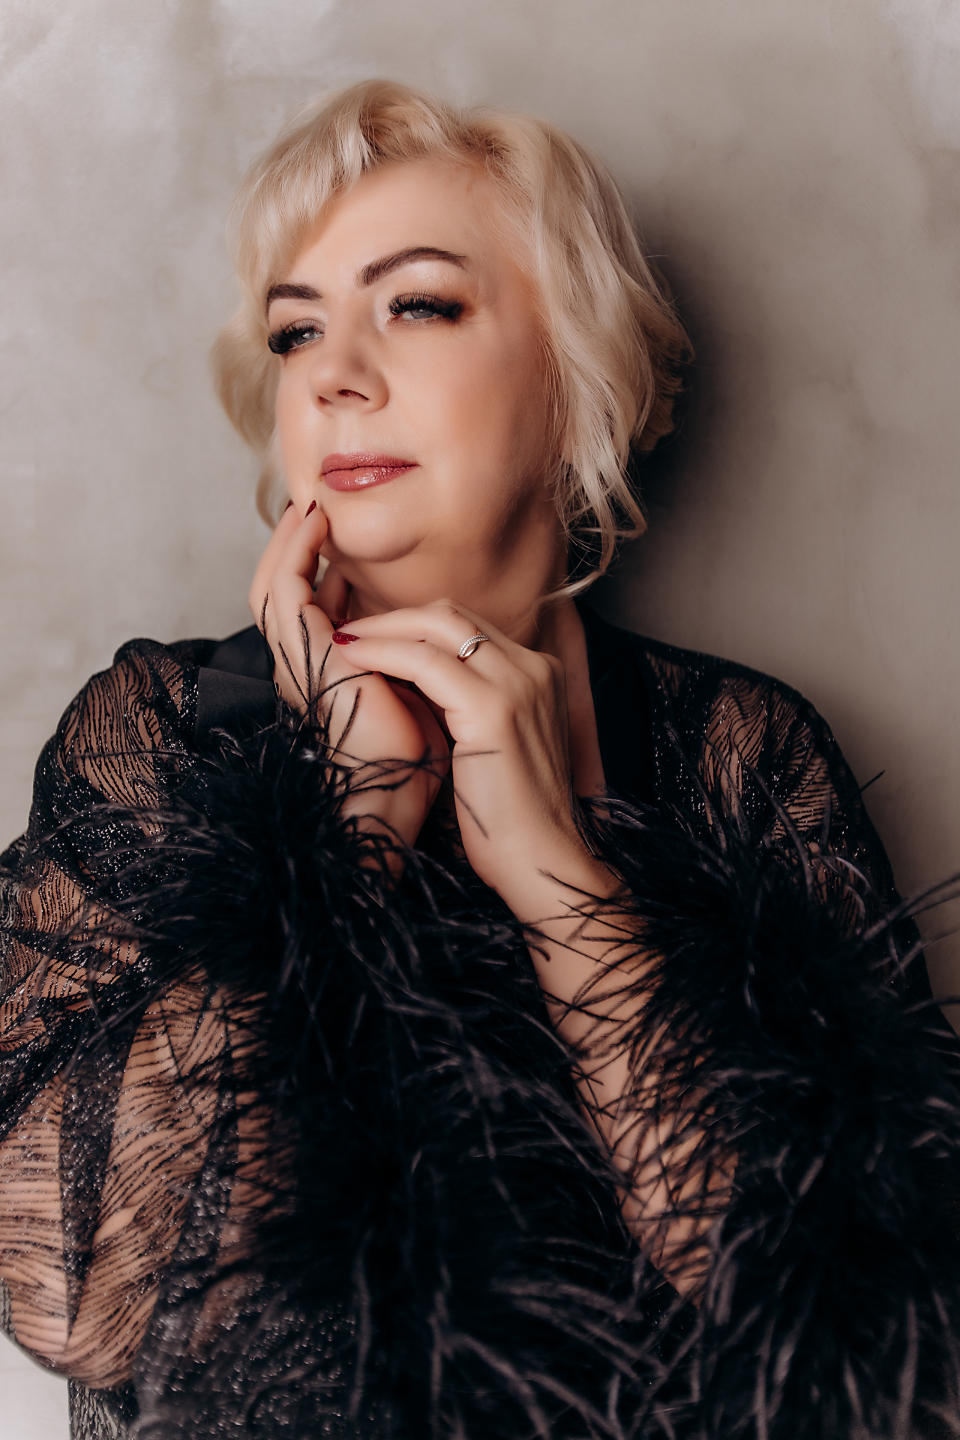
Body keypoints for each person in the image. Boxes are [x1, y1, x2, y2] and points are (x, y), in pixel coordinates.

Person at [2, 77, 960, 1440]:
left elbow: (869, 1336)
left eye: (418, 304)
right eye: (294, 330)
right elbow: (79, 1299)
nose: (330, 373)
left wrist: (563, 886)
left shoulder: (740, 754)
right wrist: (353, 818)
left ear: (579, 368)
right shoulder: (165, 727)